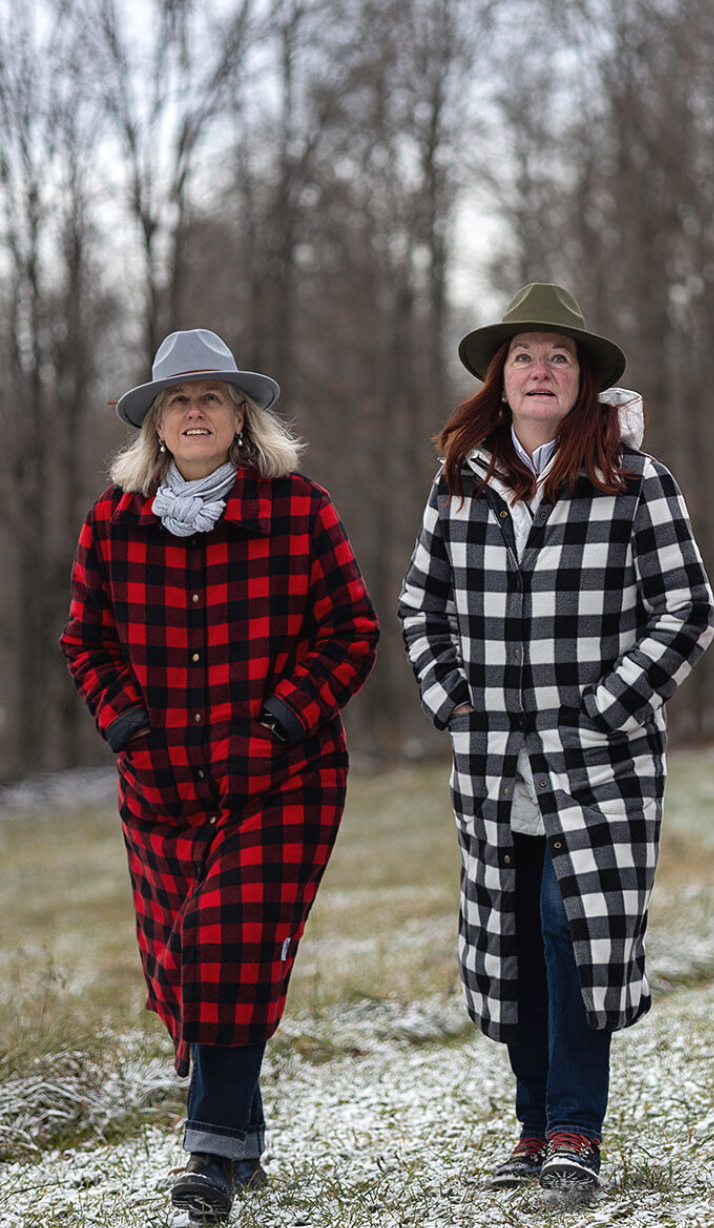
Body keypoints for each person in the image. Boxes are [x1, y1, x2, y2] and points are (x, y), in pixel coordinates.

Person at [398, 283, 714, 1201]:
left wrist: (609, 704)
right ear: (502, 379)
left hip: (600, 761)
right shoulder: (461, 478)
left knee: (572, 926)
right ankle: (534, 1127)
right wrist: (451, 697)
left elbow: (686, 608)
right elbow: (422, 603)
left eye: (560, 358)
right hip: (496, 763)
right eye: (526, 356)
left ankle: (578, 1129)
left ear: (584, 383)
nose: (541, 371)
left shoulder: (635, 478)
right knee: (513, 942)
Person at [60, 329, 379, 1222]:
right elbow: (86, 641)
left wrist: (276, 725)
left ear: (241, 416)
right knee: (180, 966)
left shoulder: (299, 510)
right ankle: (240, 1132)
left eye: (211, 397)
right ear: (157, 425)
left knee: (224, 943)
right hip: (159, 788)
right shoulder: (112, 522)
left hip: (284, 776)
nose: (194, 411)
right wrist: (132, 734)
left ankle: (208, 1156)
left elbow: (351, 633)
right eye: (177, 400)